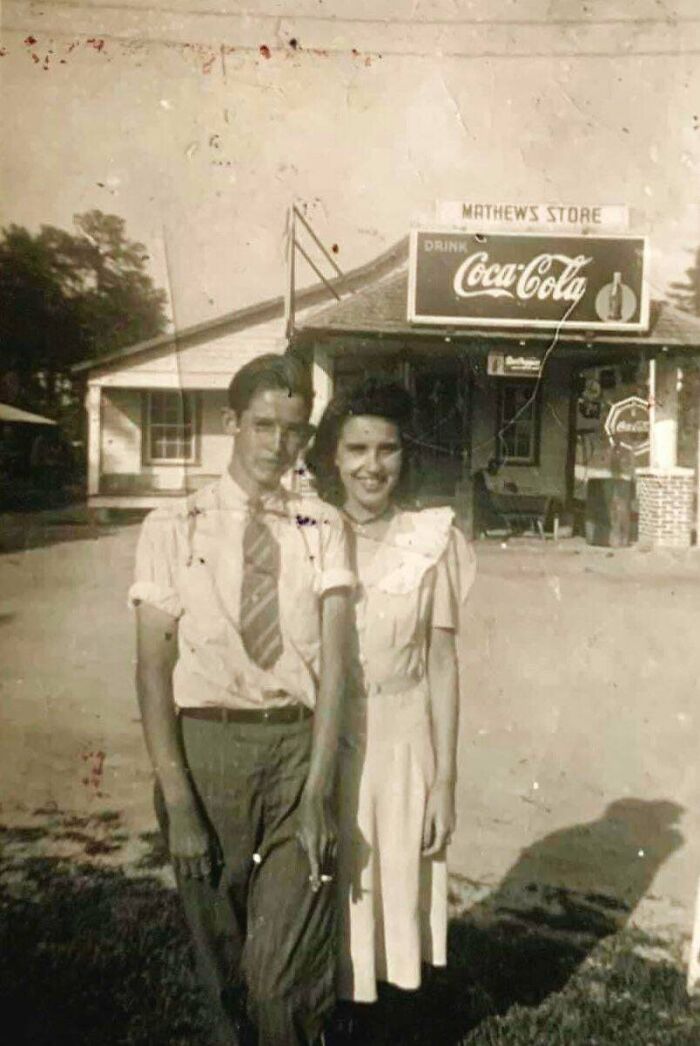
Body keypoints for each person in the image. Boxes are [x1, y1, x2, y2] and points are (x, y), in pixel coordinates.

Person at [130, 354, 354, 1046]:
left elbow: (338, 664)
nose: (277, 445)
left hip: (296, 751)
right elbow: (150, 668)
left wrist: (319, 789)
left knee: (283, 973)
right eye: (263, 426)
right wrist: (178, 800)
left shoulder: (322, 525)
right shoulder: (173, 525)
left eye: (293, 430)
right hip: (207, 752)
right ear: (232, 423)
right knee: (221, 965)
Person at [306, 378, 476, 1036]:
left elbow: (440, 663)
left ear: (407, 456)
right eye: (356, 449)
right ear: (333, 456)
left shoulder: (429, 539)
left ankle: (394, 1019)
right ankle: (332, 1011)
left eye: (387, 449)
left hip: (404, 738)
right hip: (325, 735)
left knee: (395, 883)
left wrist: (446, 781)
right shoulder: (308, 530)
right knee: (335, 881)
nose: (372, 466)